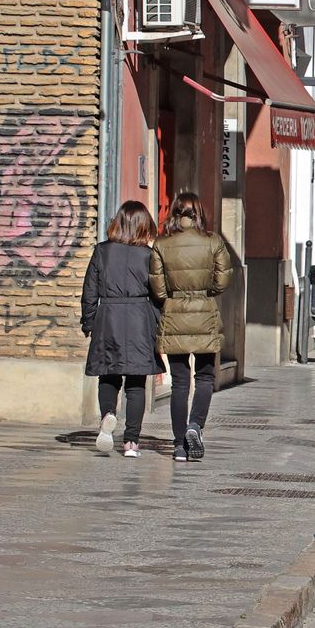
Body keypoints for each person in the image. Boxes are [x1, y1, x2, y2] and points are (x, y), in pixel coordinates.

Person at [151, 192, 233, 463]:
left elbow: (158, 289)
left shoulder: (162, 244)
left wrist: (174, 298)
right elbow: (223, 280)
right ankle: (195, 426)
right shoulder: (213, 241)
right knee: (206, 377)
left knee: (180, 382)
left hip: (174, 314)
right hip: (204, 313)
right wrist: (204, 293)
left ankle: (178, 446)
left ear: (174, 212)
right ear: (199, 212)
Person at [80, 201, 163, 458]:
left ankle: (108, 415)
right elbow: (159, 293)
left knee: (108, 374)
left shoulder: (102, 252)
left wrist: (89, 321)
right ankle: (131, 443)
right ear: (144, 226)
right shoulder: (149, 256)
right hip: (140, 318)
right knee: (136, 382)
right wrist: (158, 322)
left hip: (109, 316)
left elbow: (89, 291)